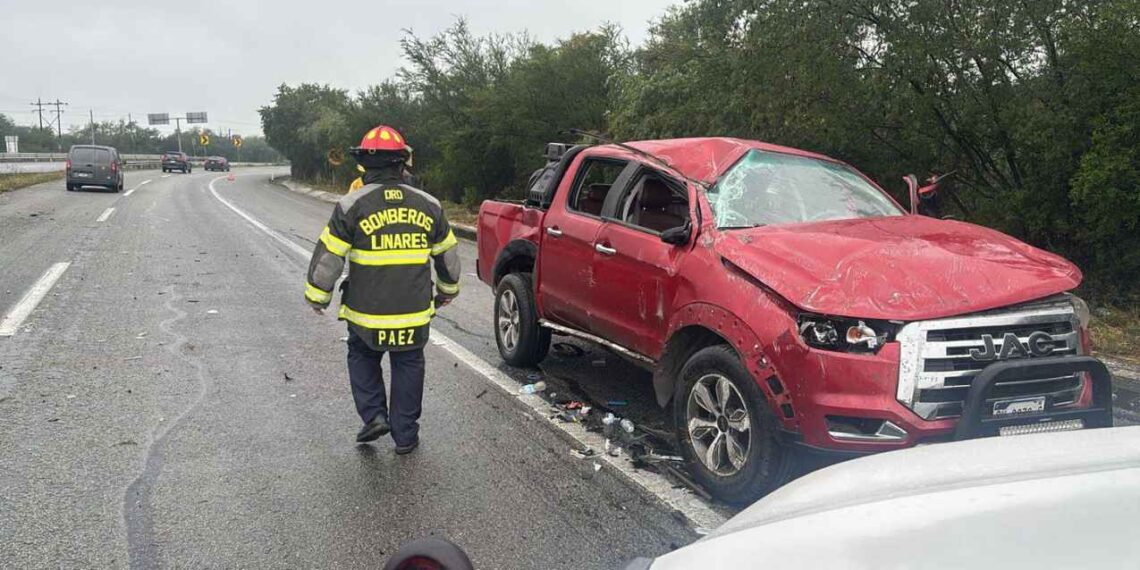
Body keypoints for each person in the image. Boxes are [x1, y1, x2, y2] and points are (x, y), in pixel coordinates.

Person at [305, 125, 461, 454]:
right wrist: (447, 291)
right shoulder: (429, 204)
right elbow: (448, 254)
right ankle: (405, 436)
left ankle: (374, 415)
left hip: (367, 315)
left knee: (362, 356)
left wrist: (318, 295)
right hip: (413, 313)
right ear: (402, 163)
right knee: (408, 363)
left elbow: (330, 255)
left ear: (364, 165)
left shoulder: (351, 205)